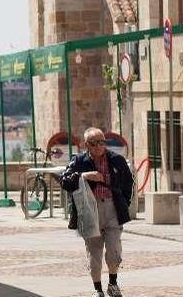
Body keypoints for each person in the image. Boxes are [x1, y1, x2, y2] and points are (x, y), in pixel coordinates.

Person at [61, 127, 134, 297]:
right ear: (86, 145)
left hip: (112, 209)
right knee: (94, 253)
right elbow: (65, 181)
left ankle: (113, 284)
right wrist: (84, 176)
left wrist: (124, 202)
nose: (98, 146)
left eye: (101, 142)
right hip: (89, 210)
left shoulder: (117, 160)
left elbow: (128, 183)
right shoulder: (79, 161)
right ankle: (97, 289)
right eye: (93, 143)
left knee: (114, 248)